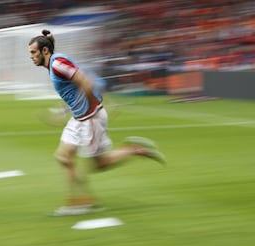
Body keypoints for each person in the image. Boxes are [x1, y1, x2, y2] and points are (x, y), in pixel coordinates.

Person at [28, 29, 166, 216]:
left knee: (99, 164)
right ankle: (80, 201)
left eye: (33, 52)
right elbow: (74, 89)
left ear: (45, 51)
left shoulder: (58, 63)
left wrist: (92, 111)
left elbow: (85, 81)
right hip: (79, 119)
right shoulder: (55, 64)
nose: (31, 56)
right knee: (63, 157)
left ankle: (134, 150)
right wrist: (65, 108)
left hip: (89, 119)